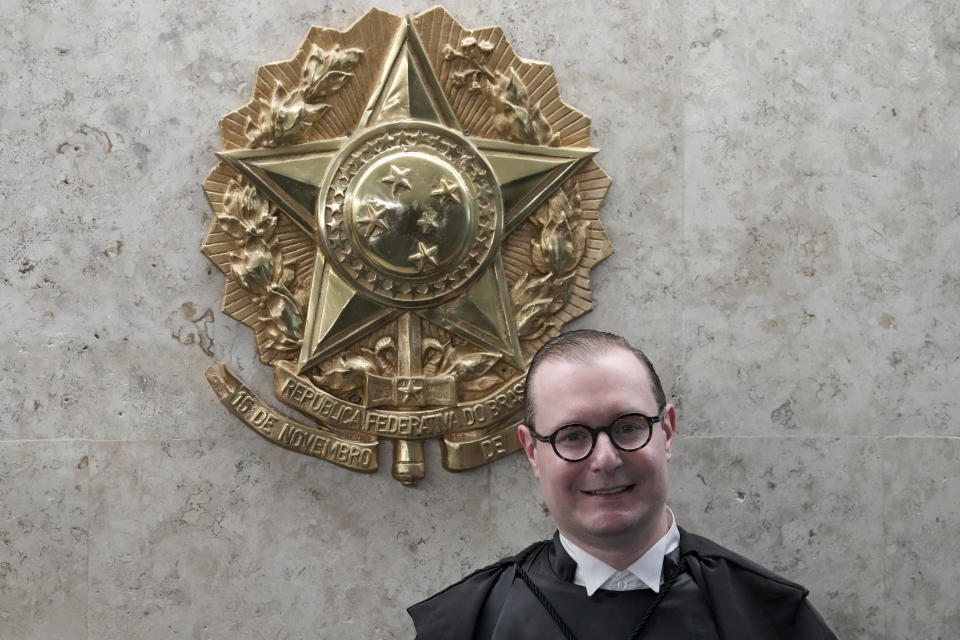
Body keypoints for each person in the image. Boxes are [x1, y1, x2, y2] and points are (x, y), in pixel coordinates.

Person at [408, 329, 837, 639]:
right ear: (531, 452)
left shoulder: (768, 617)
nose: (605, 459)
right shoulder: (470, 623)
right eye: (571, 435)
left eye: (628, 427)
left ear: (666, 432)